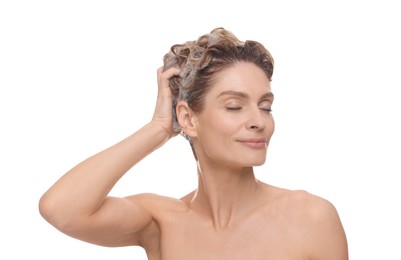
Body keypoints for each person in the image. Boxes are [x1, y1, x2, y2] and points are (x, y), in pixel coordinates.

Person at [39, 27, 348, 259]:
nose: (259, 121)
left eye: (265, 106)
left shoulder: (310, 217)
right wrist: (159, 128)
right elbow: (60, 209)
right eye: (234, 106)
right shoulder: (161, 221)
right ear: (188, 118)